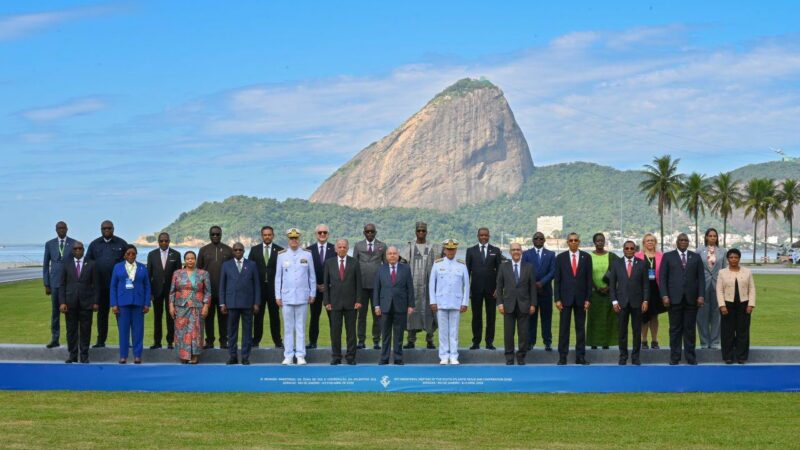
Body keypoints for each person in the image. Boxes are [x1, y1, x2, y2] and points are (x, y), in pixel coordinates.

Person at [660, 233, 705, 365]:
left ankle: (691, 357)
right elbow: (662, 278)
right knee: (675, 329)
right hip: (674, 299)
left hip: (691, 299)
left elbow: (701, 278)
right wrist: (664, 295)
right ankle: (675, 357)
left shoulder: (695, 257)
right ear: (677, 242)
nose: (683, 242)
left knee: (690, 329)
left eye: (686, 240)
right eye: (681, 240)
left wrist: (701, 295)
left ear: (688, 242)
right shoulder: (668, 256)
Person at [275, 228, 316, 365]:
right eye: (291, 238)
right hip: (286, 297)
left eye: (296, 238)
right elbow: (278, 277)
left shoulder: (307, 255)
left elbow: (311, 276)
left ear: (299, 239)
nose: (294, 240)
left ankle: (300, 355)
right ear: (288, 240)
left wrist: (312, 293)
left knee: (300, 327)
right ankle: (288, 355)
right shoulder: (282, 255)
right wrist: (277, 295)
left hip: (302, 296)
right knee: (288, 328)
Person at [86, 220, 128, 348]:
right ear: (101, 230)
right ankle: (100, 341)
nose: (107, 230)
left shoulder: (122, 244)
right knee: (102, 315)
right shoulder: (94, 244)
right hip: (100, 287)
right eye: (104, 228)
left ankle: (125, 341)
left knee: (120, 314)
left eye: (109, 228)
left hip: (118, 287)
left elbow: (129, 264)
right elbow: (88, 264)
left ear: (113, 229)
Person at [607, 240, 649, 365]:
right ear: (623, 249)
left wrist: (645, 300)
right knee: (622, 332)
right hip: (621, 303)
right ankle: (623, 356)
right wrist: (614, 301)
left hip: (637, 303)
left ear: (635, 250)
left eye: (632, 248)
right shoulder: (616, 264)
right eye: (627, 248)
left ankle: (635, 357)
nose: (629, 250)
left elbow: (646, 285)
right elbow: (612, 285)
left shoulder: (642, 264)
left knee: (637, 332)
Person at [554, 232, 593, 365]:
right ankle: (562, 357)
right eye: (571, 240)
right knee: (564, 329)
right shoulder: (560, 258)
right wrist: (557, 299)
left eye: (576, 240)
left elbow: (589, 280)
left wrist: (588, 299)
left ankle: (580, 357)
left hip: (581, 299)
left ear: (579, 242)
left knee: (580, 329)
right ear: (567, 242)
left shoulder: (586, 257)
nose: (573, 242)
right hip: (565, 299)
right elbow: (557, 280)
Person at [401, 222, 441, 349]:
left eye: (423, 230)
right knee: (412, 313)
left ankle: (430, 340)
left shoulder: (433, 247)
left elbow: (444, 258)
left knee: (430, 313)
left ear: (426, 232)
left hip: (429, 287)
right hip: (413, 287)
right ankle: (411, 340)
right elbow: (402, 264)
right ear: (415, 232)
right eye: (419, 230)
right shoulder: (410, 247)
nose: (421, 233)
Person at [495, 243, 537, 365]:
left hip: (524, 305)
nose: (516, 252)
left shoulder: (529, 267)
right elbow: (499, 286)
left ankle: (521, 356)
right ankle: (509, 357)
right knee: (508, 333)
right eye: (513, 250)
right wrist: (500, 303)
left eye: (518, 249)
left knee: (523, 333)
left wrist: (533, 304)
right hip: (508, 305)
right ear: (510, 252)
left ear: (521, 251)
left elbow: (532, 287)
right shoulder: (503, 267)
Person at [429, 239, 470, 365]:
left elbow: (466, 285)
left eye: (453, 249)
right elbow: (432, 284)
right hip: (441, 302)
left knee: (454, 331)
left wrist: (464, 302)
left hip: (456, 302)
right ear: (445, 250)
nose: (450, 251)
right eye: (448, 249)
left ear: (456, 250)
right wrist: (433, 301)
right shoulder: (437, 264)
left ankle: (453, 355)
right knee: (442, 331)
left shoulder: (462, 265)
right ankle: (443, 356)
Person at [219, 243, 260, 365]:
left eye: (240, 250)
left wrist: (256, 303)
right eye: (236, 250)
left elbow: (257, 285)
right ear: (232, 251)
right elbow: (222, 285)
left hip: (248, 303)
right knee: (232, 332)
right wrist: (222, 303)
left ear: (244, 251)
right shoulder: (226, 265)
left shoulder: (251, 265)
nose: (238, 251)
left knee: (247, 332)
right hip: (231, 303)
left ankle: (245, 357)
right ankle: (233, 356)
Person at [323, 239, 362, 365]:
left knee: (351, 332)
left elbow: (359, 283)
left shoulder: (354, 262)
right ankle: (336, 356)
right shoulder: (329, 263)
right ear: (336, 249)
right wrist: (326, 301)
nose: (342, 249)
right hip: (334, 303)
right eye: (339, 247)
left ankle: (351, 357)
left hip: (351, 303)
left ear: (347, 248)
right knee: (335, 332)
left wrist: (358, 300)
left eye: (344, 247)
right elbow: (326, 284)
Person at [110, 245, 151, 364]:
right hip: (122, 303)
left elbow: (147, 286)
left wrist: (147, 303)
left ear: (136, 255)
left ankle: (137, 355)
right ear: (124, 255)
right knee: (123, 331)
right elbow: (113, 286)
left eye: (133, 253)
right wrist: (114, 304)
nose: (131, 256)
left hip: (138, 303)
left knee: (138, 331)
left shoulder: (142, 267)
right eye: (128, 253)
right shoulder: (117, 267)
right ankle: (123, 356)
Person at [374, 246, 415, 365]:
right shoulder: (381, 269)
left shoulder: (405, 269)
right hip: (384, 306)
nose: (392, 255)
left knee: (399, 334)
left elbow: (410, 288)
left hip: (400, 306)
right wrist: (376, 305)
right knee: (385, 334)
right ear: (386, 256)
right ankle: (384, 358)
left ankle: (398, 358)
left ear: (398, 255)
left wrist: (411, 305)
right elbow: (377, 288)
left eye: (394, 253)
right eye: (390, 254)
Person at [58, 241, 98, 363]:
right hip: (70, 303)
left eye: (80, 248)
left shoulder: (92, 264)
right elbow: (62, 284)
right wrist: (62, 302)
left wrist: (96, 302)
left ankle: (84, 355)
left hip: (87, 303)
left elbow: (96, 285)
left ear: (83, 250)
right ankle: (73, 355)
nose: (78, 250)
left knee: (86, 330)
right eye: (75, 249)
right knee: (71, 330)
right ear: (72, 251)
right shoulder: (66, 264)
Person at [168, 251, 210, 364]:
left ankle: (195, 355)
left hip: (197, 306)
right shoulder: (177, 273)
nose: (190, 260)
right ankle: (184, 355)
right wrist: (171, 306)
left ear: (195, 260)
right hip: (181, 307)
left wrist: (206, 306)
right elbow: (172, 291)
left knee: (196, 331)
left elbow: (207, 292)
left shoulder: (203, 273)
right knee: (181, 331)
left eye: (192, 258)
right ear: (184, 260)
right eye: (188, 258)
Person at [716, 249, 756, 364]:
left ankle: (741, 357)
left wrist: (751, 304)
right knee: (727, 332)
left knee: (742, 331)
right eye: (731, 257)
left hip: (744, 304)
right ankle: (728, 356)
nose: (733, 259)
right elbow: (719, 290)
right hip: (727, 305)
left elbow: (752, 289)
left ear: (739, 259)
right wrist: (722, 305)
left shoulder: (747, 272)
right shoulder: (722, 272)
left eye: (736, 257)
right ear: (727, 259)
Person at [197, 225, 233, 349]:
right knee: (208, 317)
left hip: (224, 291)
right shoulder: (203, 250)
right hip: (207, 291)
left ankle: (224, 341)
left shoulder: (228, 250)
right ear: (209, 235)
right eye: (213, 234)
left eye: (218, 234)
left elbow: (232, 270)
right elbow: (199, 271)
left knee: (224, 317)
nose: (215, 236)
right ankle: (210, 341)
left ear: (221, 235)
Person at [465, 228, 502, 350]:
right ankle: (476, 342)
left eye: (486, 235)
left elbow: (500, 272)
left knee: (491, 317)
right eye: (481, 235)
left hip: (492, 290)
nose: (484, 237)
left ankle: (489, 342)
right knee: (476, 317)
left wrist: (498, 288)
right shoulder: (470, 251)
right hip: (476, 289)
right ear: (478, 236)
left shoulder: (495, 250)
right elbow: (467, 272)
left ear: (489, 236)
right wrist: (467, 289)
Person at [248, 226, 284, 348]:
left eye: (269, 235)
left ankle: (278, 341)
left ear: (273, 235)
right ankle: (256, 340)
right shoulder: (254, 250)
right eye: (265, 235)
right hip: (259, 289)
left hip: (274, 290)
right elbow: (250, 270)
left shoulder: (280, 250)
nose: (267, 237)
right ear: (262, 236)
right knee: (258, 316)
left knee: (275, 316)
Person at [353, 223, 386, 350]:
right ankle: (361, 340)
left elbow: (386, 266)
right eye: (367, 231)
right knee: (361, 316)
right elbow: (354, 265)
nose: (370, 233)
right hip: (361, 286)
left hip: (377, 286)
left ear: (375, 232)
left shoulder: (382, 246)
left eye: (372, 231)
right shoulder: (358, 245)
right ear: (364, 233)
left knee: (377, 315)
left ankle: (376, 340)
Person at [146, 232, 182, 350]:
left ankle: (170, 342)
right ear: (158, 242)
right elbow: (148, 274)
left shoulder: (176, 254)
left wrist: (177, 292)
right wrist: (149, 293)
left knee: (171, 317)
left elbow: (179, 275)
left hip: (171, 291)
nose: (164, 243)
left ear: (169, 241)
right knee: (157, 317)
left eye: (166, 240)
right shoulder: (152, 254)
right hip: (156, 291)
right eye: (161, 241)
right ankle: (157, 342)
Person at [522, 231, 556, 351]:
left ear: (544, 240)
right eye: (536, 238)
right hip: (531, 292)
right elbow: (524, 270)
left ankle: (547, 342)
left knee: (546, 318)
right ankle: (531, 342)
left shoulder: (551, 254)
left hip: (546, 291)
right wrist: (533, 284)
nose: (539, 240)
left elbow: (553, 271)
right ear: (533, 240)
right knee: (531, 318)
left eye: (541, 238)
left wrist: (542, 282)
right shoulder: (526, 254)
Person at [43, 221, 75, 348]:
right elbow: (46, 265)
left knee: (70, 313)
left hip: (69, 283)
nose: (61, 230)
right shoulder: (49, 244)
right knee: (55, 313)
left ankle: (71, 340)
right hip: (55, 283)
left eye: (63, 228)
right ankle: (55, 339)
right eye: (59, 228)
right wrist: (46, 284)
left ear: (67, 229)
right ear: (56, 230)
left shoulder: (73, 243)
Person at [586, 233, 619, 349]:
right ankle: (593, 343)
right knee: (594, 320)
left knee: (608, 319)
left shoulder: (612, 256)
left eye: (602, 240)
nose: (600, 242)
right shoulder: (589, 257)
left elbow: (618, 271)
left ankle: (606, 344)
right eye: (598, 240)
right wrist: (596, 287)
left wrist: (609, 287)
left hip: (609, 293)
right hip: (594, 294)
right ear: (594, 242)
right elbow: (586, 275)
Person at [306, 224, 336, 349]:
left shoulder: (334, 249)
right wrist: (314, 286)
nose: (322, 234)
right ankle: (312, 342)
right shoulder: (308, 250)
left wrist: (328, 285)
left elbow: (337, 270)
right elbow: (306, 271)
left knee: (333, 318)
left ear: (328, 234)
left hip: (331, 289)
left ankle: (335, 343)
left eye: (325, 232)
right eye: (320, 232)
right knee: (314, 317)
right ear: (316, 234)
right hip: (315, 290)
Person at [697, 228, 727, 349]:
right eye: (710, 236)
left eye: (714, 236)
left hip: (718, 285)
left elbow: (724, 269)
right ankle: (704, 342)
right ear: (706, 237)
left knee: (717, 314)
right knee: (702, 315)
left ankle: (715, 342)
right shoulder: (699, 251)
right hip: (703, 285)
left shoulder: (723, 251)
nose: (712, 238)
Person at [635, 233, 665, 350]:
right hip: (642, 289)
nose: (650, 242)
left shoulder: (661, 256)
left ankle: (654, 340)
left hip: (656, 288)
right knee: (643, 316)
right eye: (648, 240)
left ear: (655, 242)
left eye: (652, 240)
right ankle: (643, 340)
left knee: (654, 316)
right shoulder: (637, 256)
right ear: (643, 243)